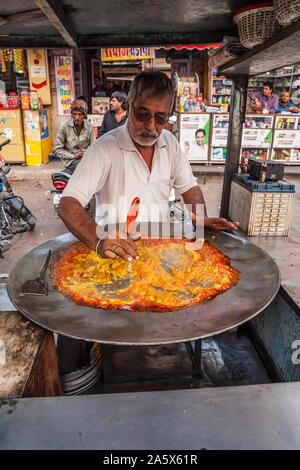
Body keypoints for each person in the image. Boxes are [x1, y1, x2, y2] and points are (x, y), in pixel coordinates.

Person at [59, 71, 238, 262]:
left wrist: (202, 222)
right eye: (143, 115)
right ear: (129, 106)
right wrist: (99, 240)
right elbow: (68, 203)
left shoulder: (170, 144)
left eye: (161, 118)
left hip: (159, 253)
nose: (151, 126)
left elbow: (190, 189)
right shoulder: (103, 149)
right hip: (114, 254)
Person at [54, 99, 96, 171]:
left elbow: (94, 146)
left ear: (84, 115)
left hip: (86, 158)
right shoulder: (64, 126)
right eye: (74, 114)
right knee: (89, 165)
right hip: (71, 161)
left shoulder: (89, 126)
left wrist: (86, 152)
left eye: (80, 115)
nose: (77, 118)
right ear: (71, 114)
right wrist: (74, 156)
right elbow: (58, 150)